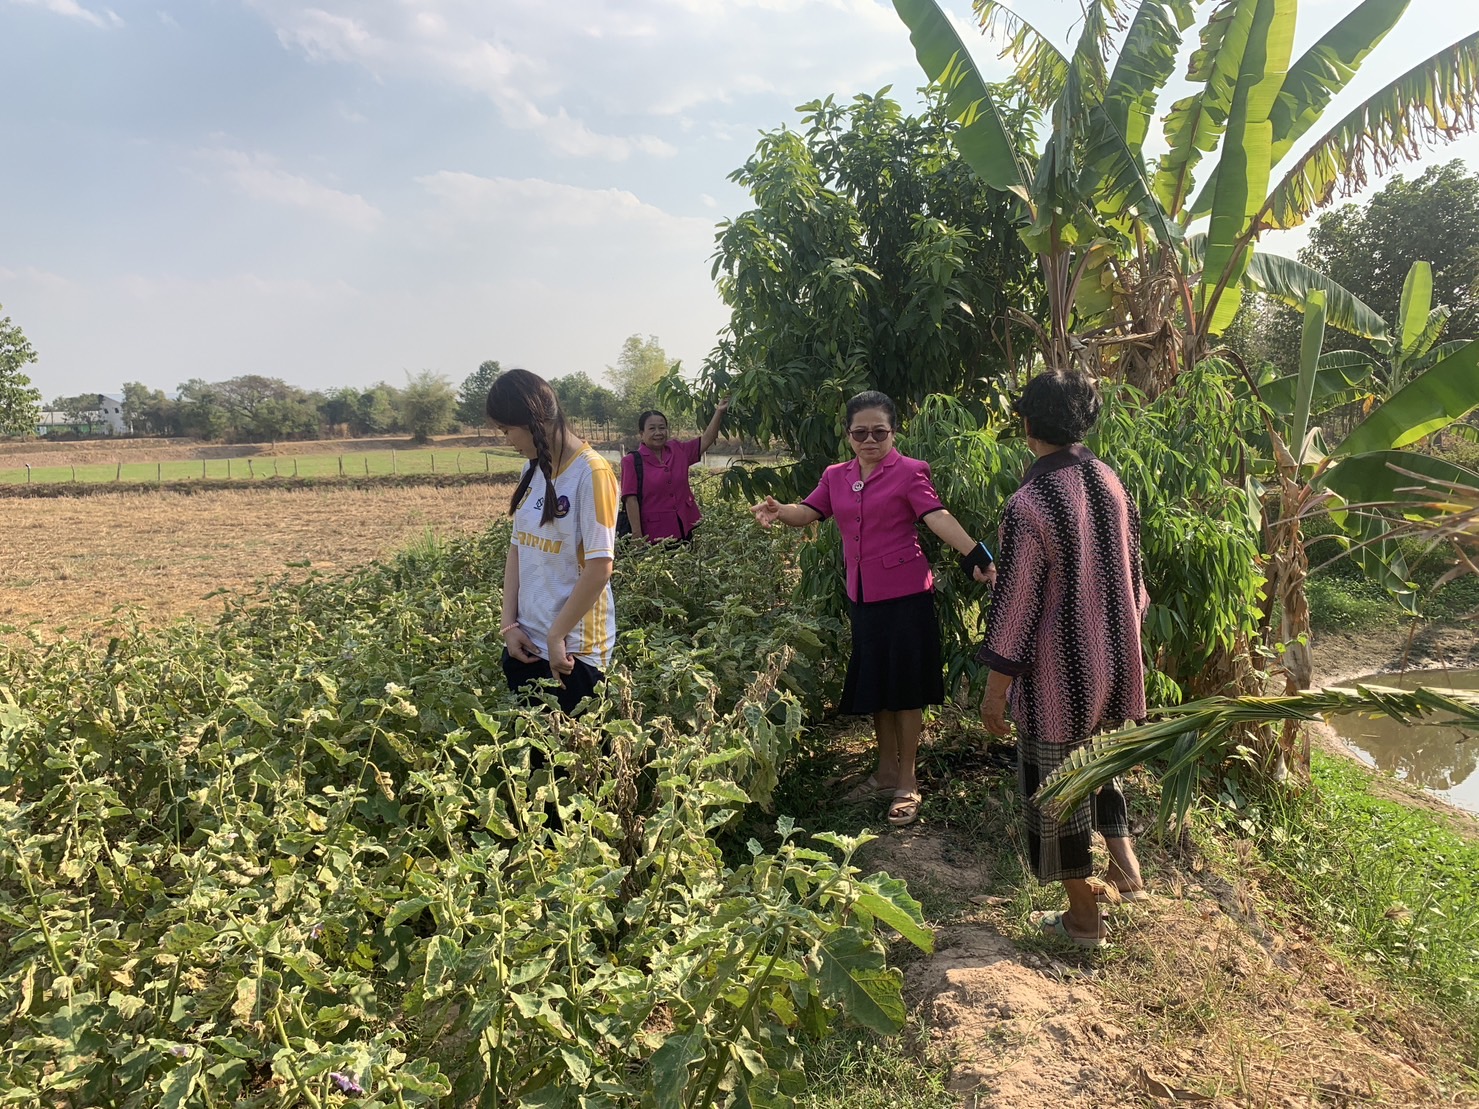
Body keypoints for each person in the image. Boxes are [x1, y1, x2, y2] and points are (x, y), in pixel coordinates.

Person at [751, 390, 995, 826]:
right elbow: (808, 511)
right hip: (863, 598)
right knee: (880, 687)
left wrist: (975, 554)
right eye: (860, 432)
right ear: (848, 435)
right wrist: (779, 510)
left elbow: (936, 516)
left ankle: (907, 780)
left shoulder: (911, 471)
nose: (869, 440)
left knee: (906, 691)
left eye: (879, 432)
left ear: (893, 432)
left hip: (906, 597)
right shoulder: (835, 476)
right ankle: (884, 772)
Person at [976, 369, 1151, 947]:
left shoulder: (1030, 503)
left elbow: (1017, 608)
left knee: (1057, 789)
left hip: (1059, 674)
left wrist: (996, 691)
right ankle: (1126, 873)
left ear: (1027, 423)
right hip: (1118, 660)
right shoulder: (1109, 480)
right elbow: (1135, 580)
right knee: (1101, 764)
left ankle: (1082, 919)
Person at [489, 369, 618, 716]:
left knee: (578, 749)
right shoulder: (530, 470)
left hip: (573, 652)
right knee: (534, 747)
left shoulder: (592, 472)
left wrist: (556, 635)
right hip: (527, 644)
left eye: (506, 430)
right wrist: (509, 625)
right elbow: (518, 549)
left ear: (533, 420)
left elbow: (600, 567)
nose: (507, 440)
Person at [621, 398, 729, 542]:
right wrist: (637, 536)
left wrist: (719, 411)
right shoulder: (631, 461)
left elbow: (706, 439)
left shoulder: (677, 450)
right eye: (652, 429)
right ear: (641, 433)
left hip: (685, 527)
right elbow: (630, 499)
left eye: (662, 428)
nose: (658, 432)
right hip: (653, 534)